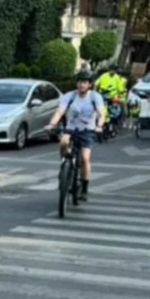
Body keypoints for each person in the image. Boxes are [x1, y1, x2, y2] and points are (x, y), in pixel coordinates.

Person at [47, 70, 105, 202]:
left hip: (88, 130)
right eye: (79, 82)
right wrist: (52, 124)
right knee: (63, 142)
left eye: (84, 82)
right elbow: (60, 111)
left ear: (89, 84)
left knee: (85, 158)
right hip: (71, 129)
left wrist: (99, 126)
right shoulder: (70, 96)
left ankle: (84, 187)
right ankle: (65, 166)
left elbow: (101, 114)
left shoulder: (95, 97)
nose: (81, 85)